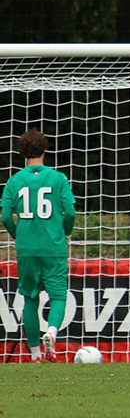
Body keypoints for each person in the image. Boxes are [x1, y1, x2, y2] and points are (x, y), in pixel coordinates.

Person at [1, 130, 76, 363]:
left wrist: (19, 236)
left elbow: (5, 217)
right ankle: (51, 332)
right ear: (44, 149)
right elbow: (70, 212)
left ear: (22, 152)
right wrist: (65, 232)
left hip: (27, 249)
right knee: (58, 297)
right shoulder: (58, 178)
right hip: (53, 247)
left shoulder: (14, 181)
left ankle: (35, 355)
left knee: (30, 299)